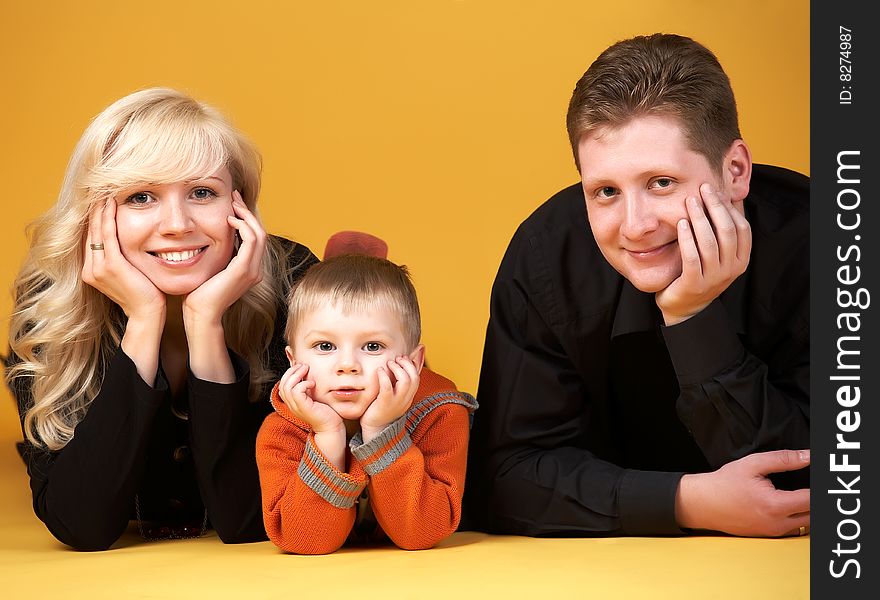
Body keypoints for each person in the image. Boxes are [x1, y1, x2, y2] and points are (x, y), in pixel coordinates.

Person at [464, 33, 810, 538]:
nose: (634, 225)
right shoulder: (547, 256)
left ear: (735, 171)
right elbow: (506, 479)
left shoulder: (828, 246)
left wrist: (692, 319)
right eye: (605, 191)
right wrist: (687, 502)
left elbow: (814, 482)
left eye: (661, 183)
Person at [3, 88, 318, 550]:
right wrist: (144, 319)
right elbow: (80, 524)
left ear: (241, 207)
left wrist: (206, 323)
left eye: (202, 192)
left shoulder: (294, 284)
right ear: (94, 214)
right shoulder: (50, 309)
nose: (176, 223)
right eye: (141, 196)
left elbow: (252, 517)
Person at [257, 254, 477, 554]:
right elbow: (304, 541)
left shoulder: (440, 414)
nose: (347, 365)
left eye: (372, 346)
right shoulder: (281, 431)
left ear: (413, 362)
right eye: (325, 346)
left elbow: (421, 534)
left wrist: (380, 431)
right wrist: (327, 437)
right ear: (294, 362)